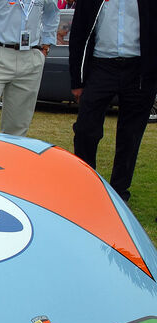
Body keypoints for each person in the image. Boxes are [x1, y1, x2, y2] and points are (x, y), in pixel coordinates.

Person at [69, 0, 157, 203]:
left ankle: (119, 194)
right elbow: (79, 31)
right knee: (85, 130)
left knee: (130, 136)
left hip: (138, 69)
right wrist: (77, 80)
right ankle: (87, 185)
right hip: (101, 66)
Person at [0, 0, 59, 136]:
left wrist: (46, 44)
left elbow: (53, 12)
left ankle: (8, 157)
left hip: (30, 57)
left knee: (18, 128)